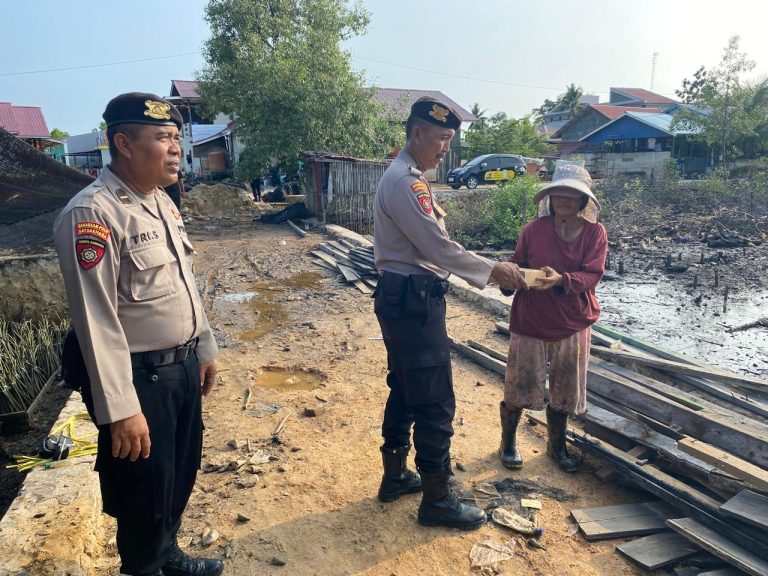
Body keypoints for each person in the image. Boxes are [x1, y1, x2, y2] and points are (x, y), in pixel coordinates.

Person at [53, 92, 224, 576]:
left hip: (181, 366)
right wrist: (121, 408)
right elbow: (96, 319)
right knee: (144, 490)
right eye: (162, 138)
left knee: (178, 473)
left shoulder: (160, 204)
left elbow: (184, 284)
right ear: (122, 144)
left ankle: (167, 555)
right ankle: (146, 566)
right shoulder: (93, 214)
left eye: (176, 138)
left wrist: (204, 348)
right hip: (140, 379)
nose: (175, 148)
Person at [373, 97, 527, 530]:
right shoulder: (407, 183)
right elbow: (437, 248)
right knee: (435, 399)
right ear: (417, 134)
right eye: (441, 138)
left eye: (450, 140)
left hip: (402, 298)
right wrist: (494, 272)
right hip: (413, 301)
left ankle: (396, 476)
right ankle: (437, 500)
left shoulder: (404, 177)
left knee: (405, 387)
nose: (445, 148)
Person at [499, 161, 607, 473]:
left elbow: (592, 276)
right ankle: (508, 443)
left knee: (565, 390)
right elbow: (517, 262)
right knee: (519, 384)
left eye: (571, 195)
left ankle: (556, 445)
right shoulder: (533, 230)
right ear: (550, 197)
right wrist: (508, 277)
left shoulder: (595, 233)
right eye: (558, 193)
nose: (563, 199)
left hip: (572, 321)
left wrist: (561, 280)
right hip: (531, 318)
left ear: (583, 201)